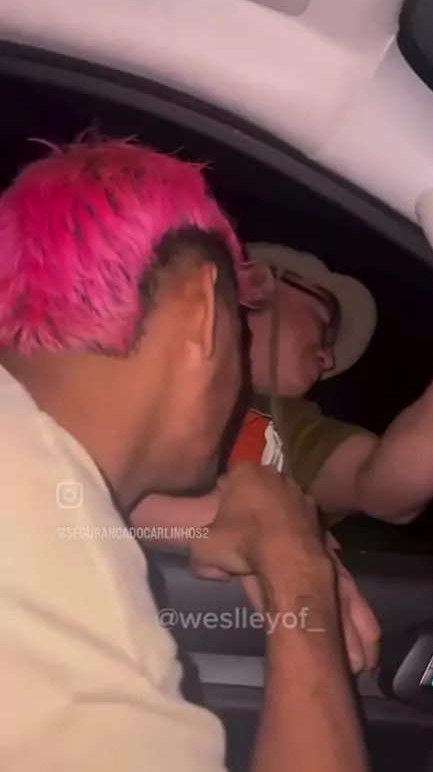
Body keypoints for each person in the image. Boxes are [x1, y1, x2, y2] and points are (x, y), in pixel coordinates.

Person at [0, 139, 368, 772]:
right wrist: (295, 566)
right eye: (237, 325)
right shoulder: (77, 613)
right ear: (202, 314)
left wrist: (214, 521)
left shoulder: (32, 477)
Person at [133, 242, 433, 671]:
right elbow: (81, 484)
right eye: (322, 321)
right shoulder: (138, 353)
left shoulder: (289, 424)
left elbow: (386, 489)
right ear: (256, 285)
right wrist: (265, 531)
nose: (328, 357)